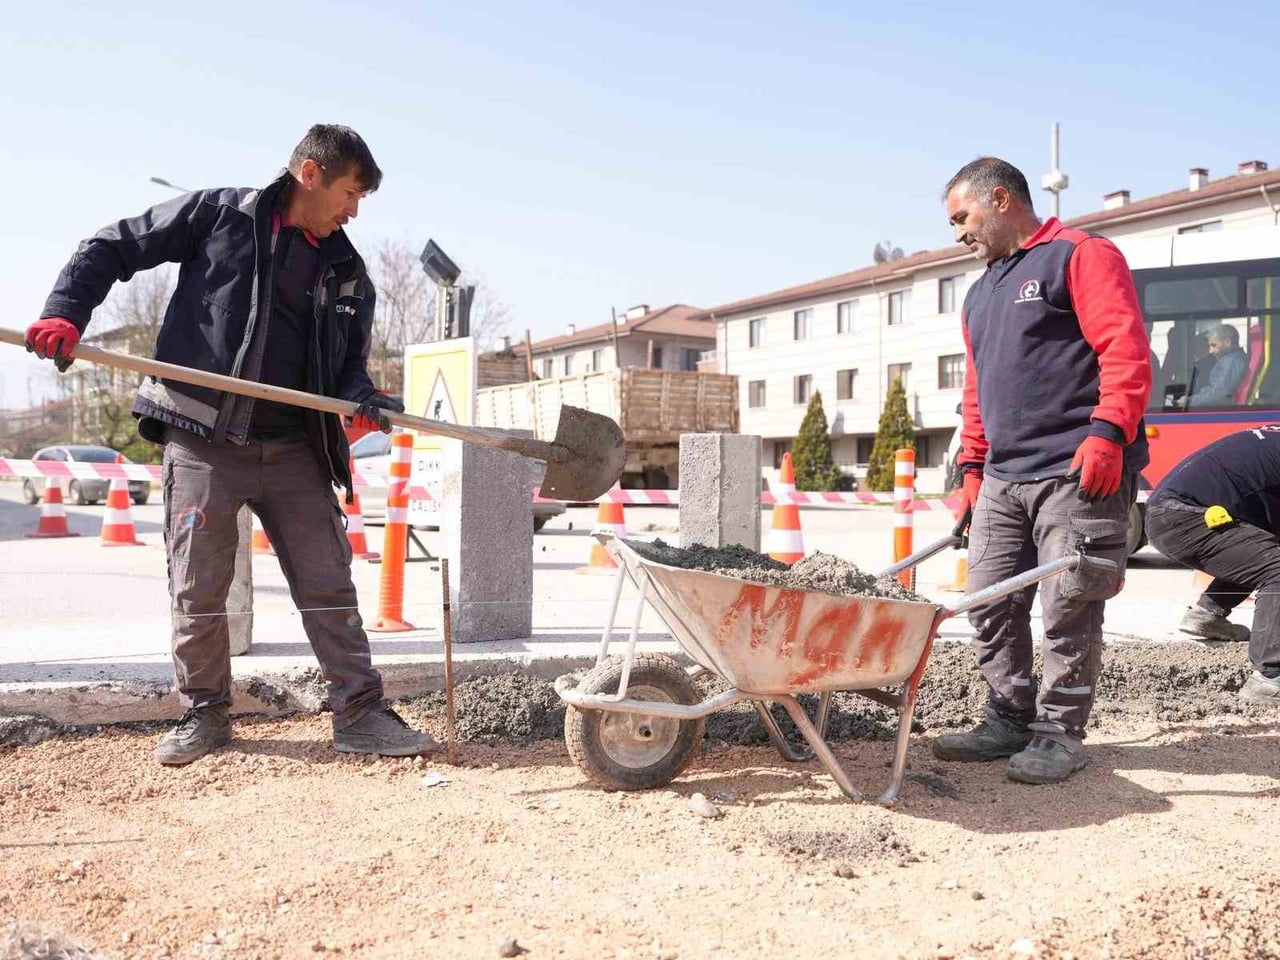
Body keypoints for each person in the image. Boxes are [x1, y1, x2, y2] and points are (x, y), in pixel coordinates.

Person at [26, 124, 437, 765]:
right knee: (198, 588)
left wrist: (366, 396)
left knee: (330, 585)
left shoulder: (348, 272)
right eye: (351, 193)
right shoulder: (217, 215)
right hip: (201, 437)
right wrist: (65, 312)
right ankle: (205, 714)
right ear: (310, 173)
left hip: (297, 446)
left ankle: (360, 713)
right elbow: (112, 246)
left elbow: (349, 367)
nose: (355, 211)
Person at [935, 157, 1152, 784]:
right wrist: (972, 464)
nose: (958, 234)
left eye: (962, 217)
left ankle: (1059, 732)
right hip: (1004, 476)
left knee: (1069, 605)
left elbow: (1125, 348)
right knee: (989, 599)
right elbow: (978, 389)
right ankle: (1008, 717)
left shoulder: (1079, 255)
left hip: (1076, 470)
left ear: (1000, 199)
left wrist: (1109, 432)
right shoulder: (981, 292)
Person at [1145, 425, 1280, 703]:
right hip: (1185, 517)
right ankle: (1269, 677)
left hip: (1172, 513)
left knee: (1258, 551)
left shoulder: (1273, 439)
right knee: (1277, 567)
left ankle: (1208, 614)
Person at [1188, 324, 1248, 407]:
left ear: (1227, 342)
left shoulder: (1231, 361)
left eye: (1214, 345)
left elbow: (1219, 395)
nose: (1210, 351)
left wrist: (1189, 402)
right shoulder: (1232, 359)